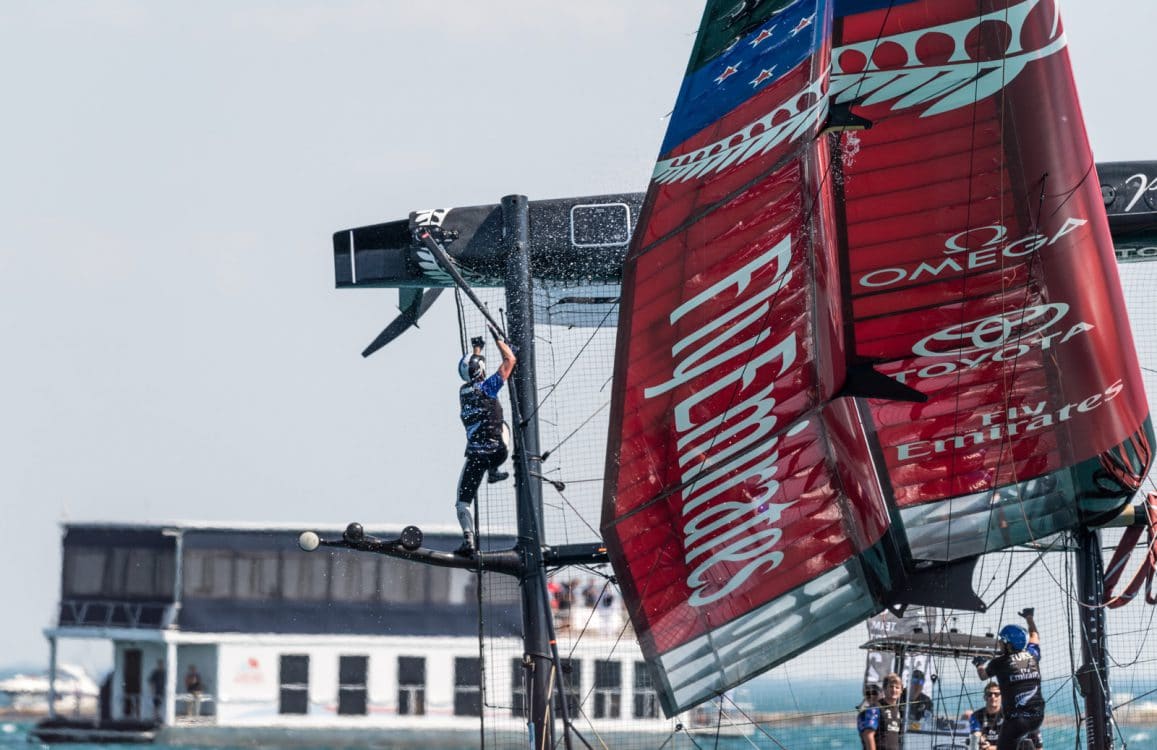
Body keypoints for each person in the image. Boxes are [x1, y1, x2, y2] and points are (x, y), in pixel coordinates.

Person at [454, 331, 516, 556]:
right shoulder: (488, 387)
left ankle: (468, 540)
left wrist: (477, 350)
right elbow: (510, 361)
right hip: (499, 452)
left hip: (476, 457)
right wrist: (500, 340)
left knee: (462, 503)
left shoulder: (463, 392)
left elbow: (473, 371)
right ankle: (494, 471)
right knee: (504, 426)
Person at [973, 608, 1044, 750]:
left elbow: (983, 676)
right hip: (1037, 718)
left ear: (1009, 644)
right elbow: (1034, 635)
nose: (999, 643)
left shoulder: (1000, 662)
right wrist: (1029, 618)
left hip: (1017, 722)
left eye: (1002, 641)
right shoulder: (1032, 655)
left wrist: (979, 664)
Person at [970, 682, 1043, 750]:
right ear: (985, 697)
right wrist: (979, 740)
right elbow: (976, 735)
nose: (993, 697)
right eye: (989, 694)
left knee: (1026, 743)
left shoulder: (1011, 715)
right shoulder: (976, 715)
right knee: (975, 741)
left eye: (996, 694)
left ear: (1002, 697)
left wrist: (990, 748)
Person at [858, 672, 904, 750]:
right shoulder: (875, 707)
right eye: (891, 686)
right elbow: (868, 734)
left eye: (897, 687)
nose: (894, 689)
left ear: (901, 691)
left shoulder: (898, 710)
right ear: (884, 689)